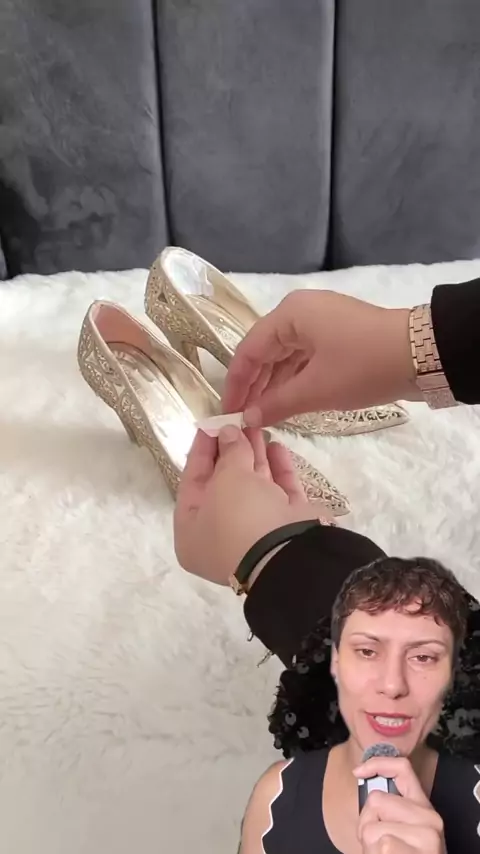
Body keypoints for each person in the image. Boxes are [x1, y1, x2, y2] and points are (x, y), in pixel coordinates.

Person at [239, 557, 479, 853]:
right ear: (336, 661)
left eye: (423, 657)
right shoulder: (275, 796)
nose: (392, 685)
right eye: (367, 651)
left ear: (452, 675)